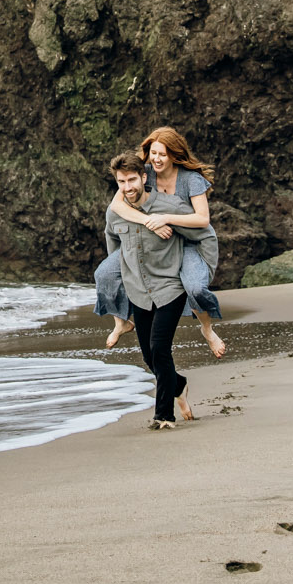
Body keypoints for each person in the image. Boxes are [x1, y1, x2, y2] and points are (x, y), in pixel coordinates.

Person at [108, 127, 224, 357]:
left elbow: (203, 219)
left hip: (187, 241)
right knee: (105, 274)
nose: (156, 159)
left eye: (162, 154)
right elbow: (117, 205)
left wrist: (165, 219)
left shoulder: (191, 179)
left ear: (173, 154)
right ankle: (120, 321)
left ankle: (207, 329)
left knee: (196, 287)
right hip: (156, 241)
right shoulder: (144, 173)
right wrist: (149, 221)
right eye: (153, 153)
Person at [106, 162, 204, 428]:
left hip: (170, 287)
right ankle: (179, 384)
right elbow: (112, 247)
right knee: (149, 357)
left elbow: (201, 231)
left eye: (132, 180)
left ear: (144, 177)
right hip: (138, 290)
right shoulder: (115, 214)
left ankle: (163, 416)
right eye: (122, 182)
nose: (128, 187)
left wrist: (197, 276)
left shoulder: (170, 207)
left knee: (160, 349)